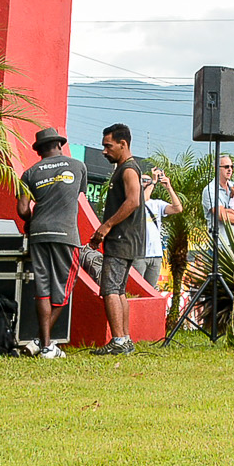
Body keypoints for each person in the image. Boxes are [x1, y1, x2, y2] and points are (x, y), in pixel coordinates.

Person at [16, 127, 84, 358]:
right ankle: (45, 345)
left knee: (42, 290)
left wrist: (34, 219)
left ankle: (42, 343)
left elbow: (23, 210)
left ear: (39, 151)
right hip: (65, 234)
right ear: (59, 145)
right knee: (64, 288)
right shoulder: (77, 166)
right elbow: (74, 197)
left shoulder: (29, 173)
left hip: (37, 234)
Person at [87, 124, 148, 356]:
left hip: (122, 237)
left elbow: (133, 201)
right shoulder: (125, 168)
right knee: (119, 289)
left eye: (108, 146)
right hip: (128, 239)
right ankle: (125, 340)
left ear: (123, 144)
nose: (104, 151)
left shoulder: (129, 170)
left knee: (110, 288)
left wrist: (107, 225)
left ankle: (119, 340)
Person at [138, 164, 185, 293]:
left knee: (150, 291)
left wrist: (168, 187)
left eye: (148, 180)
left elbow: (177, 208)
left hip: (156, 254)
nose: (146, 182)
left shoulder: (156, 204)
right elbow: (142, 200)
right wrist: (153, 182)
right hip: (139, 254)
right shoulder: (133, 201)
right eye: (143, 180)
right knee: (137, 290)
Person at [201, 156, 234, 264]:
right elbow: (221, 216)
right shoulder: (210, 190)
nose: (230, 169)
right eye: (226, 167)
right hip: (219, 245)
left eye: (231, 167)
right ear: (216, 168)